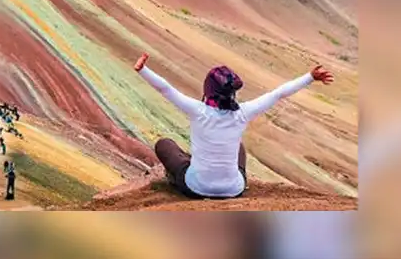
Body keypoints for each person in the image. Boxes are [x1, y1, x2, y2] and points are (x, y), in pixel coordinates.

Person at [134, 52, 333, 199]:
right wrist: (310, 77)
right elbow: (278, 94)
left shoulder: (197, 110)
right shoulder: (242, 114)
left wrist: (143, 69)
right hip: (233, 189)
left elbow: (165, 89)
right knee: (238, 147)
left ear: (208, 89)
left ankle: (176, 178)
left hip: (195, 187)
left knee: (165, 145)